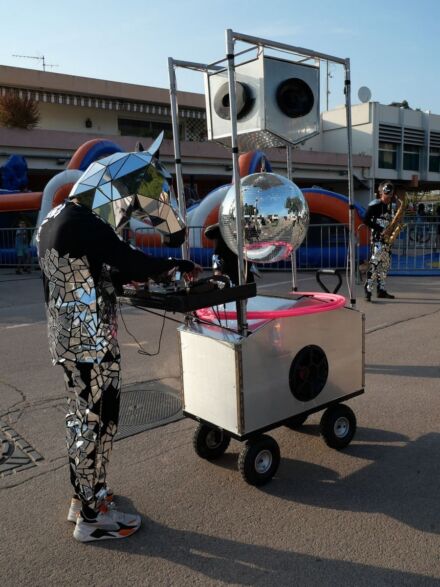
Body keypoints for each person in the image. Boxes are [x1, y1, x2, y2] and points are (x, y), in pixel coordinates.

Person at [37, 194, 199, 543]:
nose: (123, 213)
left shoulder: (53, 218)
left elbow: (96, 272)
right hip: (90, 341)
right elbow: (130, 262)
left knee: (81, 419)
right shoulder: (85, 221)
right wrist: (172, 263)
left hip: (66, 339)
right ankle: (93, 519)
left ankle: (85, 497)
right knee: (99, 420)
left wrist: (130, 277)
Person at [363, 181, 397, 301]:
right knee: (374, 266)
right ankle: (368, 292)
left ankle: (381, 290)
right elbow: (365, 220)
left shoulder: (391, 206)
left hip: (387, 241)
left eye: (390, 196)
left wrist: (393, 231)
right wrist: (380, 229)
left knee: (384, 267)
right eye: (386, 196)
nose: (388, 198)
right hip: (378, 240)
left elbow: (391, 221)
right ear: (381, 193)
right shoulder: (374, 205)